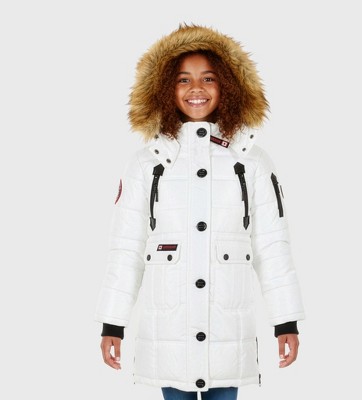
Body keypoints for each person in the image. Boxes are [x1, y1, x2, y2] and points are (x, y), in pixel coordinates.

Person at [95, 23, 305, 400]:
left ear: (228, 86)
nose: (196, 88)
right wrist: (113, 323)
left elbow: (273, 247)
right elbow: (126, 248)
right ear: (164, 89)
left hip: (229, 334)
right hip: (168, 336)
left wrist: (285, 321)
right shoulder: (146, 164)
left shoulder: (252, 162)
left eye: (208, 78)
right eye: (183, 79)